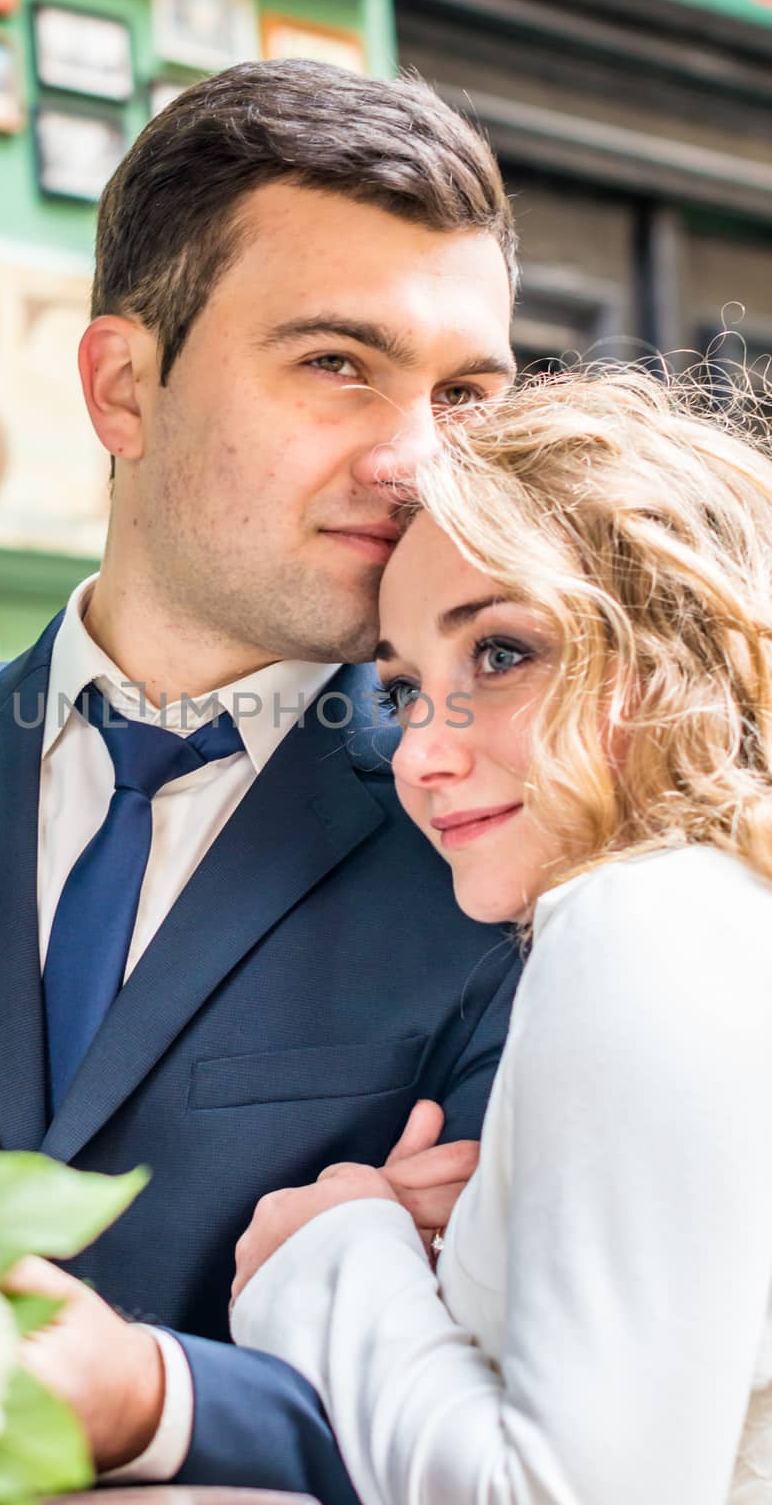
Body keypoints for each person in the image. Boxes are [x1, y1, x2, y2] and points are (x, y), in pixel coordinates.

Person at [0, 60, 523, 1500]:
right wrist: (356, 1278)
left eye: (465, 393)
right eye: (338, 362)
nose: (415, 461)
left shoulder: (505, 852)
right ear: (124, 387)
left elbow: (518, 1419)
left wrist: (165, 1397)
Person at [231, 366, 772, 1503]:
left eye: (499, 653)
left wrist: (327, 1255)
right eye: (403, 688)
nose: (422, 753)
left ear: (680, 646)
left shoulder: (642, 921)